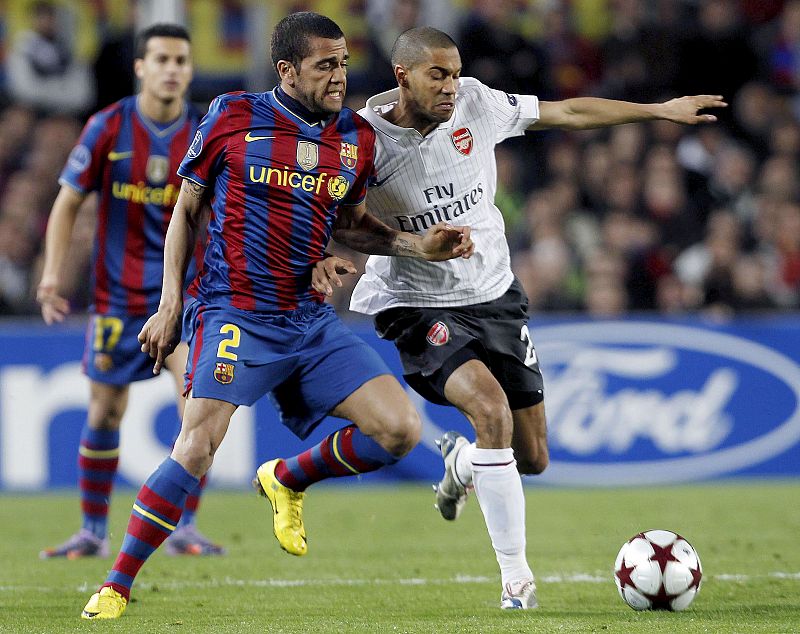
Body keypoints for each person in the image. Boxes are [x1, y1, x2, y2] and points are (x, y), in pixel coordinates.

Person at [313, 26, 726, 610]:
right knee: (489, 408)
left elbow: (569, 111)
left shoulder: (479, 103)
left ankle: (464, 461)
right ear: (402, 76)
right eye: (438, 75)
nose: (452, 85)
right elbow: (343, 222)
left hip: (495, 293)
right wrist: (413, 246)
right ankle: (517, 580)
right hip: (417, 303)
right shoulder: (360, 138)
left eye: (455, 72)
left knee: (530, 457)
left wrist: (657, 111)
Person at [79, 12, 472, 620]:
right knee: (197, 445)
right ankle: (116, 584)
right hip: (235, 313)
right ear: (287, 71)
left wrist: (416, 246)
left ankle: (287, 478)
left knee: (400, 430)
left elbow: (350, 226)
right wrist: (168, 303)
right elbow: (186, 212)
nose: (340, 76)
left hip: (309, 322)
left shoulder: (354, 138)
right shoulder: (232, 116)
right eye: (325, 66)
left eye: (343, 63)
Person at [37, 24, 224, 560]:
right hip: (118, 299)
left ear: (190, 69)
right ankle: (93, 532)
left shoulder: (206, 130)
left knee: (197, 411)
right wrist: (52, 274)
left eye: (181, 60)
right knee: (103, 414)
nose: (172, 69)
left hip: (188, 298)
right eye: (161, 59)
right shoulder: (107, 126)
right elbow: (67, 202)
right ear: (141, 67)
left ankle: (183, 527)